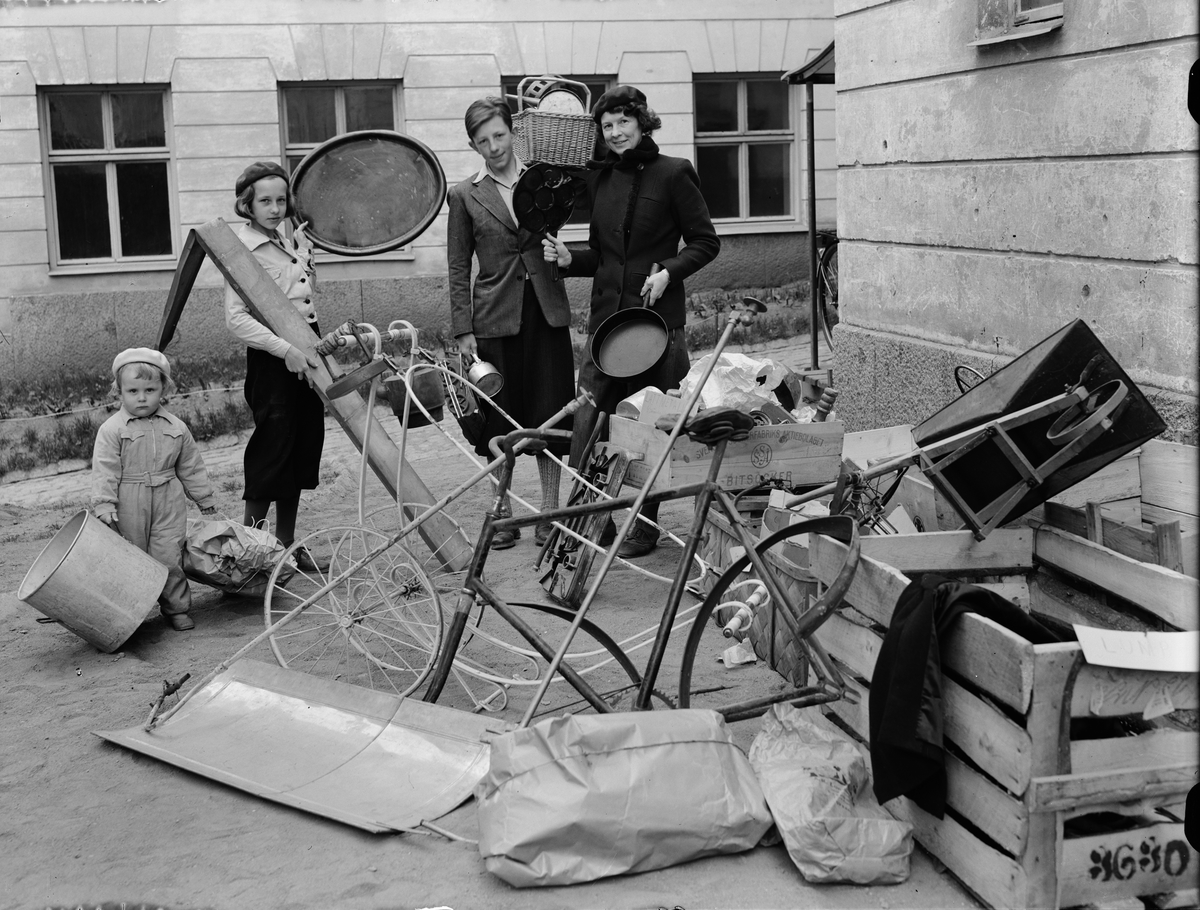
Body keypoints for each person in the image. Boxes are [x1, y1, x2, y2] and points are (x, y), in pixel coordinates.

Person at [544, 85, 720, 557]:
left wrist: (668, 273)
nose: (616, 132)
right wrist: (571, 260)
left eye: (624, 121)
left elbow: (706, 242)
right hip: (608, 324)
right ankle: (589, 519)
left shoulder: (674, 173)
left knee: (650, 425)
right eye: (607, 125)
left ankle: (644, 525)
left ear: (642, 122)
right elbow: (603, 255)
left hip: (656, 324)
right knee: (591, 420)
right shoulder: (600, 178)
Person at [447, 97, 577, 549]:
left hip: (546, 312)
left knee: (549, 413)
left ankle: (549, 513)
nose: (494, 146)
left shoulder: (545, 179)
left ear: (513, 133)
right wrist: (463, 329)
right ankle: (501, 512)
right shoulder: (464, 194)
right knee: (496, 420)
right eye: (483, 141)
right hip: (494, 318)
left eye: (500, 135)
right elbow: (457, 264)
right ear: (473, 146)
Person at [224, 161, 326, 570]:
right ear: (247, 205)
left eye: (281, 200)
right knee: (272, 451)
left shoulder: (283, 241)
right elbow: (236, 319)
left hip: (307, 351)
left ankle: (285, 545)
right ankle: (249, 554)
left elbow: (302, 296)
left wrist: (303, 252)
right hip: (273, 363)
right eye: (264, 201)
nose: (275, 208)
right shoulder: (241, 250)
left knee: (301, 447)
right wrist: (285, 351)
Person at [92, 348, 218, 631]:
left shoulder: (176, 427)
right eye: (133, 391)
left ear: (164, 389)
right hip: (128, 500)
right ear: (119, 392)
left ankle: (176, 608)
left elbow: (190, 465)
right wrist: (104, 503)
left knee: (168, 554)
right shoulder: (112, 429)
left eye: (149, 390)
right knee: (130, 557)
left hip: (167, 497)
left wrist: (203, 496)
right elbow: (105, 469)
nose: (141, 397)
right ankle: (128, 615)